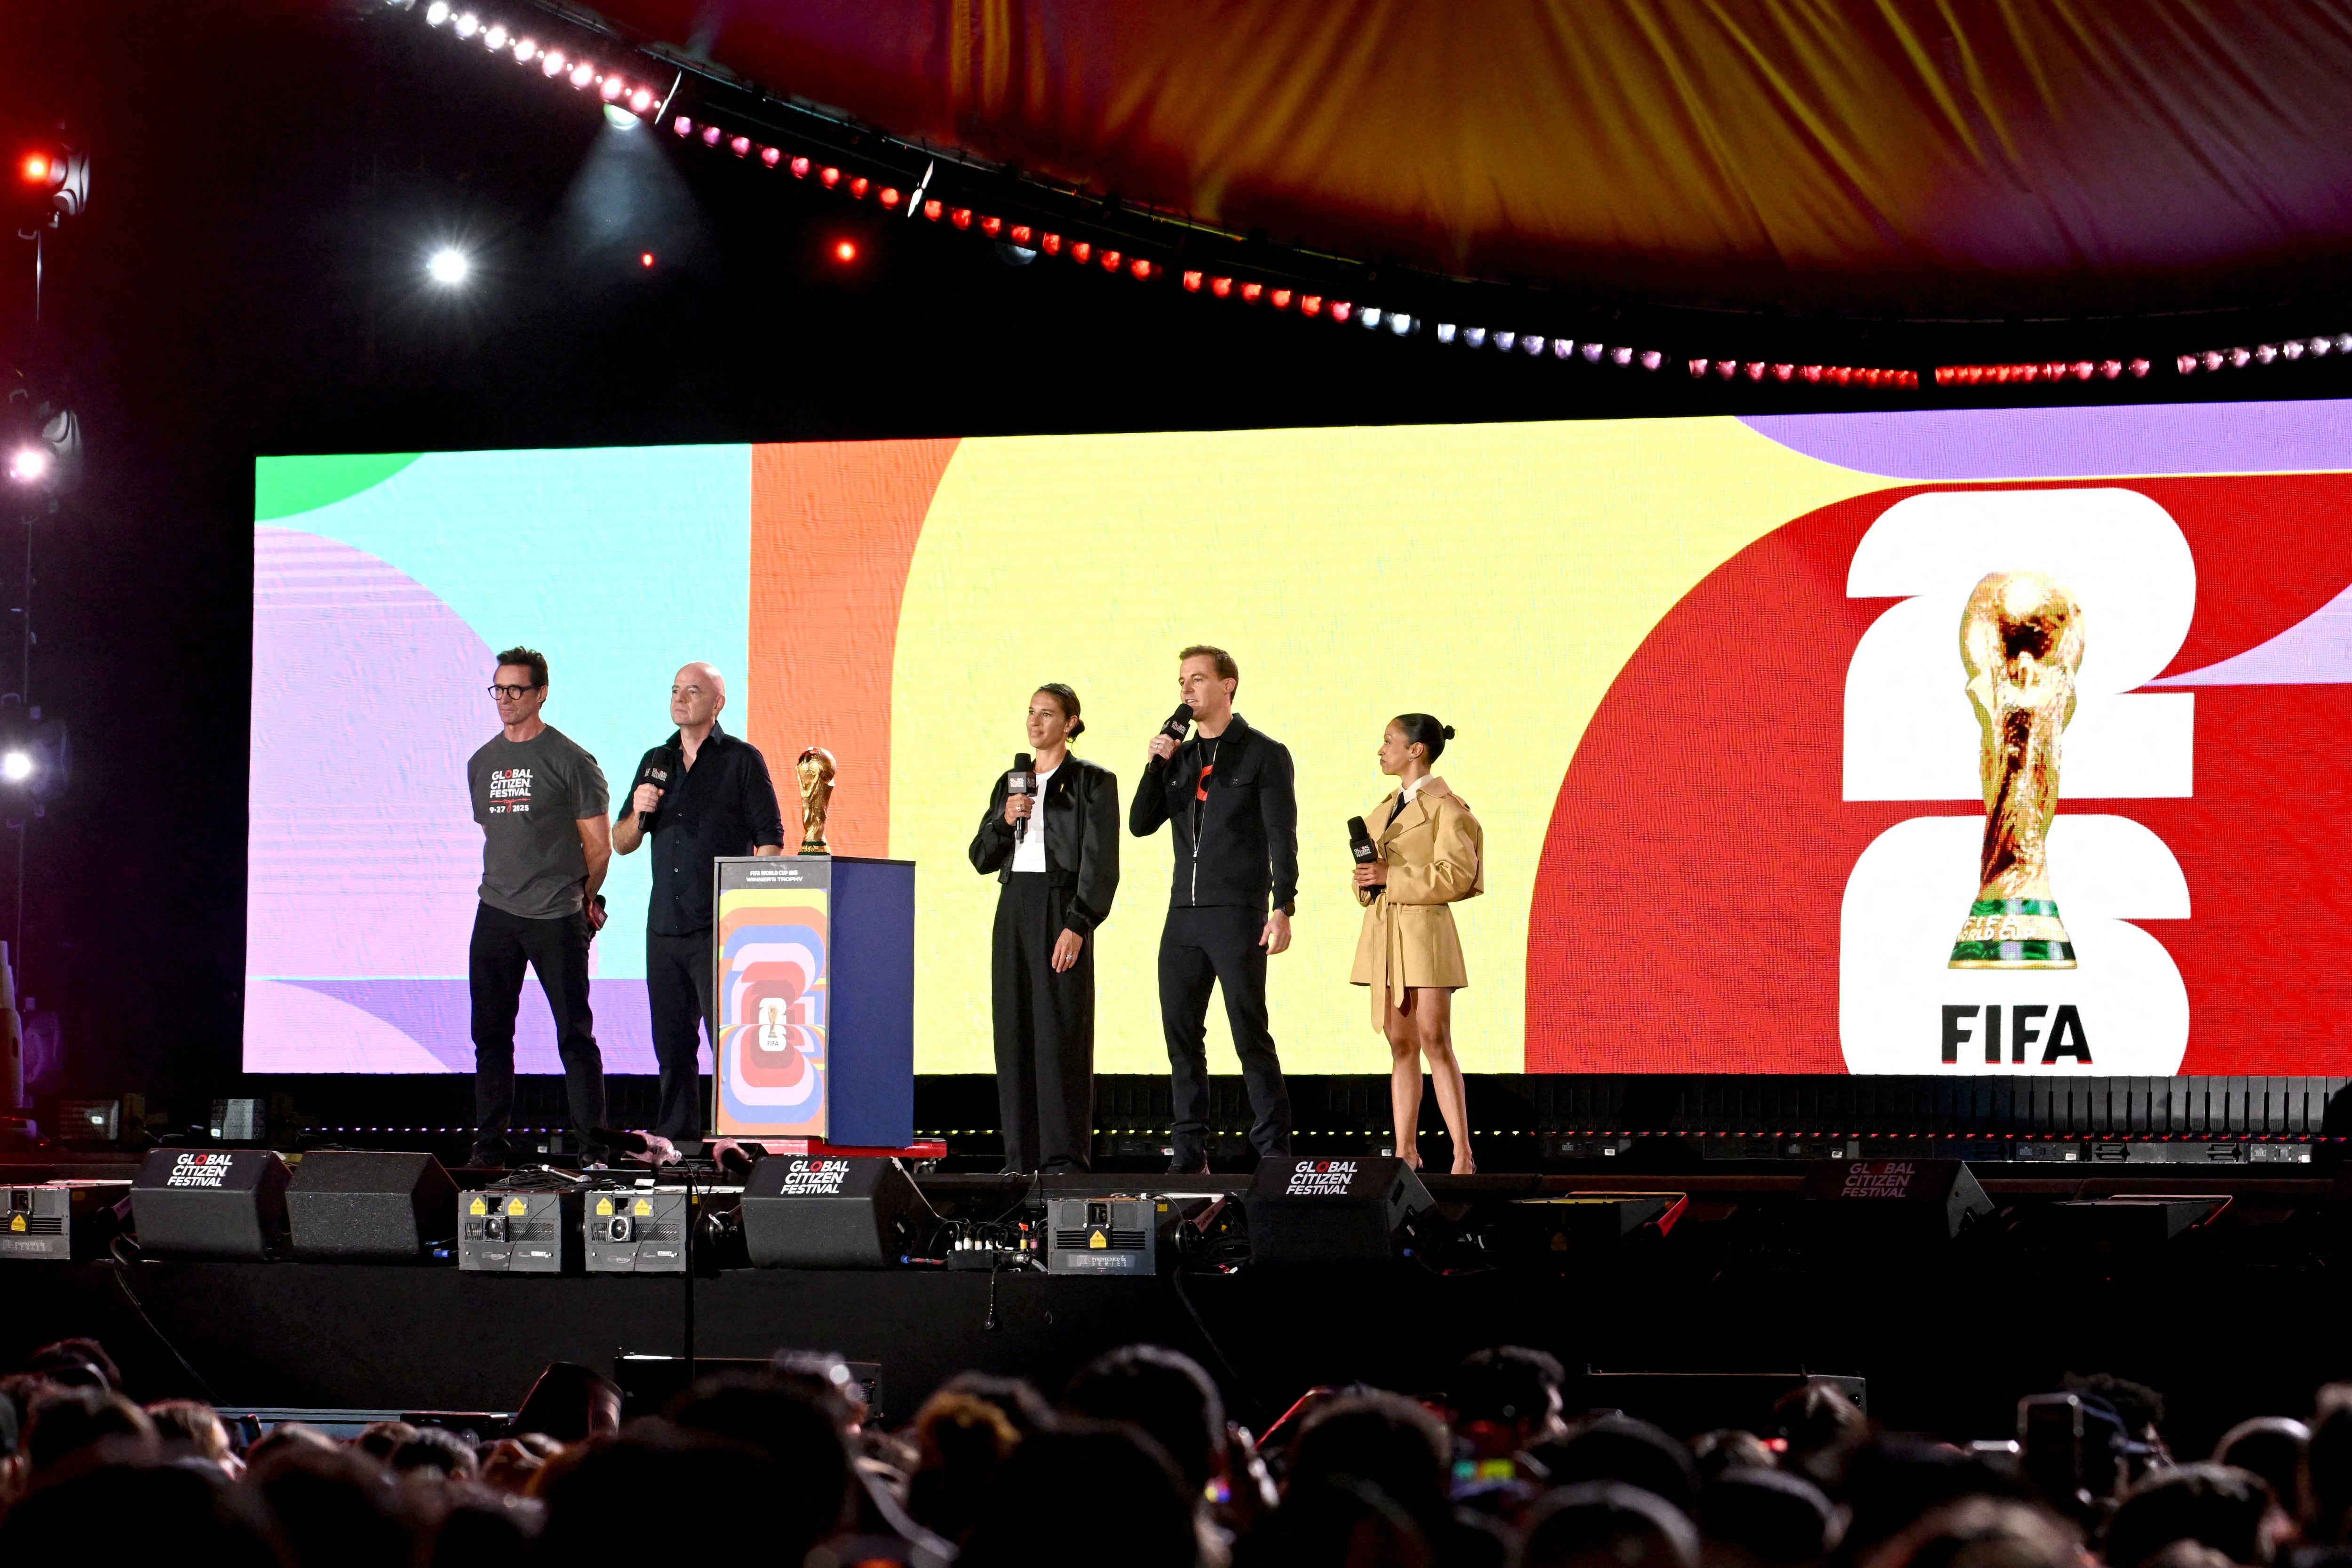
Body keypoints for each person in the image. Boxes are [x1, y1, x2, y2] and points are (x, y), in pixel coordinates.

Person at [1130, 645, 1298, 1173]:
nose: (1187, 689)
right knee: (1182, 1037)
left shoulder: (1263, 754)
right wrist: (1155, 764)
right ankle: (1188, 1155)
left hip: (1236, 911)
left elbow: (1280, 835)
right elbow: (1139, 823)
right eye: (1182, 680)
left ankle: (1272, 1150)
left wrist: (1283, 903)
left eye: (1198, 679)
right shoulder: (1178, 758)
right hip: (1183, 914)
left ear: (1227, 686)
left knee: (1249, 1032)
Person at [612, 662, 787, 1146]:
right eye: (675, 690)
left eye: (692, 691)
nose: (680, 699)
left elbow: (769, 838)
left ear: (717, 704)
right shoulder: (656, 761)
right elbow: (622, 842)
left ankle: (742, 1136)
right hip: (664, 927)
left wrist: (753, 909)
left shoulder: (740, 760)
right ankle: (678, 1140)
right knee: (672, 1045)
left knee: (731, 1040)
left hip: (720, 927)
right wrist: (639, 810)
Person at [467, 647, 613, 1169]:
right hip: (496, 912)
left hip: (556, 913)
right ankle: (489, 1149)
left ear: (541, 693)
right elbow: (499, 837)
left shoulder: (571, 760)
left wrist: (583, 901)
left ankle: (593, 1150)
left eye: (516, 690)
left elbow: (598, 846)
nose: (505, 700)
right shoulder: (481, 762)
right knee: (489, 1034)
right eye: (499, 690)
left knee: (574, 1033)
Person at [967, 684, 1120, 1173]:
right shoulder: (1010, 783)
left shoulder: (1092, 782)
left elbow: (1101, 864)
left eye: (1046, 714)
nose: (1034, 722)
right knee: (1013, 1032)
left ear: (1070, 723)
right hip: (1014, 905)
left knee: (1061, 1035)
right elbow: (980, 857)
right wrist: (1002, 819)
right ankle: (1020, 1158)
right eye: (1030, 712)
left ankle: (1063, 1160)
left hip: (1061, 906)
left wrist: (1078, 924)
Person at [1350, 714, 1483, 1174]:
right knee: (1400, 1045)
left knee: (1434, 1039)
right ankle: (1405, 1151)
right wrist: (1366, 881)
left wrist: (1392, 876)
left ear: (1416, 750)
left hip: (1424, 935)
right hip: (1385, 937)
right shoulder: (1381, 810)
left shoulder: (1446, 808)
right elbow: (1368, 882)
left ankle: (1461, 1154)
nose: (1381, 749)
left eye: (1389, 741)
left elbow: (1458, 875)